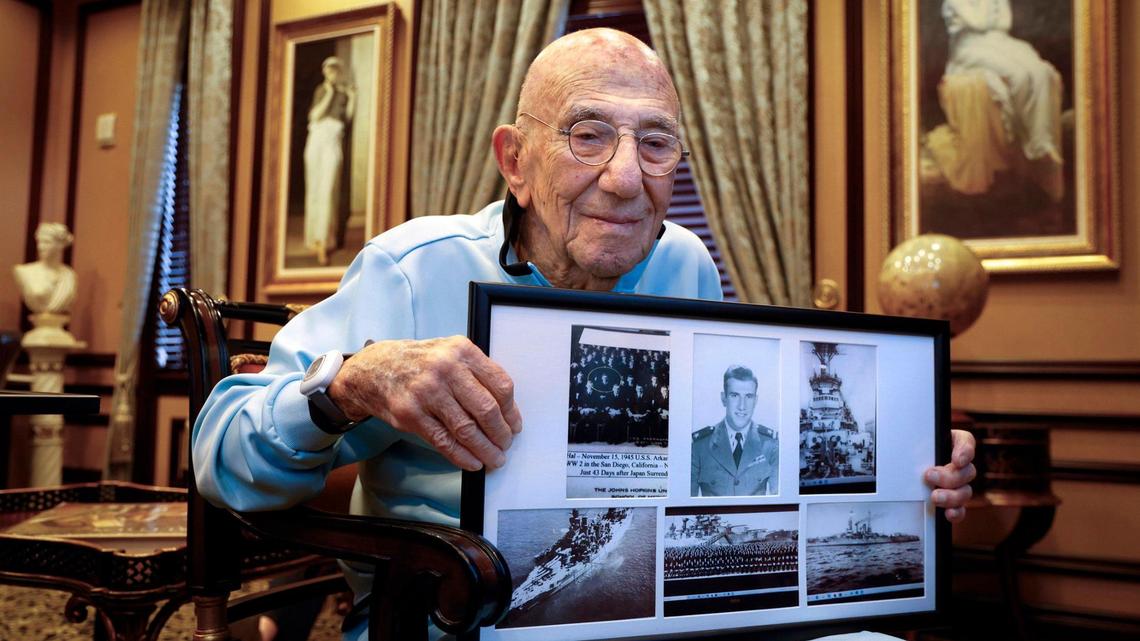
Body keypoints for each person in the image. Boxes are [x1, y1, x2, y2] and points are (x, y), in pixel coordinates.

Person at [194, 28, 976, 641]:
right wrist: (350, 382)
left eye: (657, 142)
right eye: (589, 134)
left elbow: (733, 460)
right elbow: (220, 459)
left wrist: (910, 467)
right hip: (456, 622)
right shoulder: (412, 270)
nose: (627, 177)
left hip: (668, 616)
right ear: (516, 160)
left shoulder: (685, 263)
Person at [691, 365, 779, 497]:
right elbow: (685, 502)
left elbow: (778, 503)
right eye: (734, 395)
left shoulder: (771, 445)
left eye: (749, 396)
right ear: (724, 398)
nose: (742, 406)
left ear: (756, 400)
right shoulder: (699, 446)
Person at [303, 56, 356, 266]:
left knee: (327, 190)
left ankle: (325, 240)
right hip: (317, 137)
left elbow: (347, 118)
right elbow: (315, 116)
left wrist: (352, 97)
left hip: (333, 138)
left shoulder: (344, 94)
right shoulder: (321, 91)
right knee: (315, 189)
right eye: (329, 70)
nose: (332, 74)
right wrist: (330, 93)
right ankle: (315, 238)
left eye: (336, 70)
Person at [13, 222, 78, 315]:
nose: (40, 247)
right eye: (39, 242)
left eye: (46, 242)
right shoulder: (25, 271)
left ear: (60, 245)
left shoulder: (69, 275)